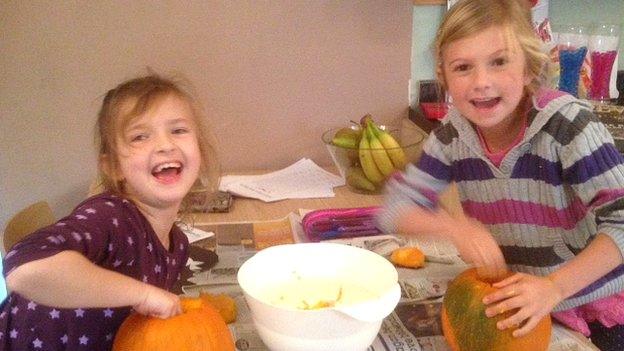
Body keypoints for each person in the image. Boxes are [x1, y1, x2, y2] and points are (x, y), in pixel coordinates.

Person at [377, 0, 624, 349]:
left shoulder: (568, 127)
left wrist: (555, 287)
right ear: (443, 77)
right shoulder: (451, 136)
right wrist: (454, 228)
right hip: (519, 302)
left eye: (499, 62)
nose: (481, 82)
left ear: (528, 69)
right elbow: (394, 208)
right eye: (463, 67)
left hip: (597, 307)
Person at [1, 73, 220, 350]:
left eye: (178, 130)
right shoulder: (110, 217)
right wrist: (142, 295)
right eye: (140, 136)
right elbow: (24, 267)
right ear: (114, 167)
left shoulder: (177, 247)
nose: (166, 145)